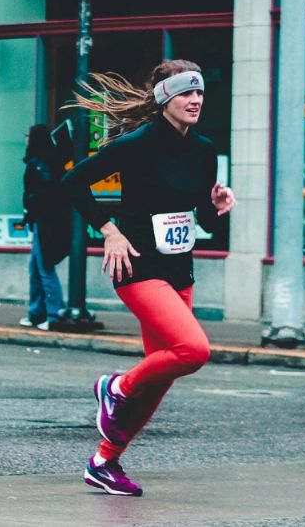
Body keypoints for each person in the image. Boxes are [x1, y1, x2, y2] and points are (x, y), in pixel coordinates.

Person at [59, 59, 236, 496]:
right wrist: (109, 230)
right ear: (164, 98)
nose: (195, 100)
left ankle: (104, 461)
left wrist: (218, 206)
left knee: (163, 373)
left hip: (179, 269)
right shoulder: (135, 145)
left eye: (199, 93)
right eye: (184, 92)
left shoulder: (203, 149)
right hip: (137, 266)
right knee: (193, 350)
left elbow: (206, 226)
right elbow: (73, 184)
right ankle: (114, 387)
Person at [19, 124, 71, 331]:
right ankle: (36, 313)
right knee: (36, 268)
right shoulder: (52, 160)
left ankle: (53, 314)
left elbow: (42, 192)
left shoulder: (38, 163)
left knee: (44, 268)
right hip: (47, 219)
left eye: (27, 135)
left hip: (44, 221)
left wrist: (30, 207)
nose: (25, 139)